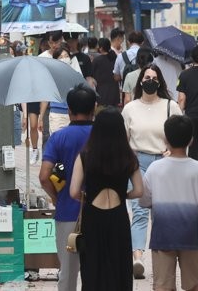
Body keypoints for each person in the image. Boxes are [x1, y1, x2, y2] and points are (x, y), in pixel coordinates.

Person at [70, 108, 143, 291]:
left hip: (93, 216)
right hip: (118, 216)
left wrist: (86, 197)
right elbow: (139, 190)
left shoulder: (85, 156)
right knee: (119, 267)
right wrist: (125, 194)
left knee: (93, 267)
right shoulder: (129, 156)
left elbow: (73, 191)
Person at [139, 115, 198, 291]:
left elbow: (143, 201)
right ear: (191, 140)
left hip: (163, 235)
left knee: (162, 286)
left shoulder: (155, 169)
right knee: (193, 285)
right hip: (191, 236)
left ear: (165, 139)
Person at [38, 86, 97, 291]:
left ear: (69, 110)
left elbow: (44, 176)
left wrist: (56, 197)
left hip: (67, 213)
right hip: (100, 212)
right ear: (94, 109)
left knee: (68, 273)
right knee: (97, 271)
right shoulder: (102, 136)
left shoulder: (59, 138)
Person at [122, 64, 177, 279]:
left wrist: (173, 152)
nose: (150, 80)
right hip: (137, 164)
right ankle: (138, 257)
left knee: (161, 214)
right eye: (146, 77)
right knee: (139, 212)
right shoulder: (130, 108)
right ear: (140, 81)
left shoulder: (170, 106)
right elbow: (123, 140)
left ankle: (162, 260)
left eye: (154, 77)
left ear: (160, 81)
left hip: (164, 164)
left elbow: (183, 135)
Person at [91, 36, 121, 108]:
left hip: (101, 94)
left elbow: (92, 76)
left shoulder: (96, 60)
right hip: (114, 94)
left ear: (101, 48)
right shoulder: (115, 58)